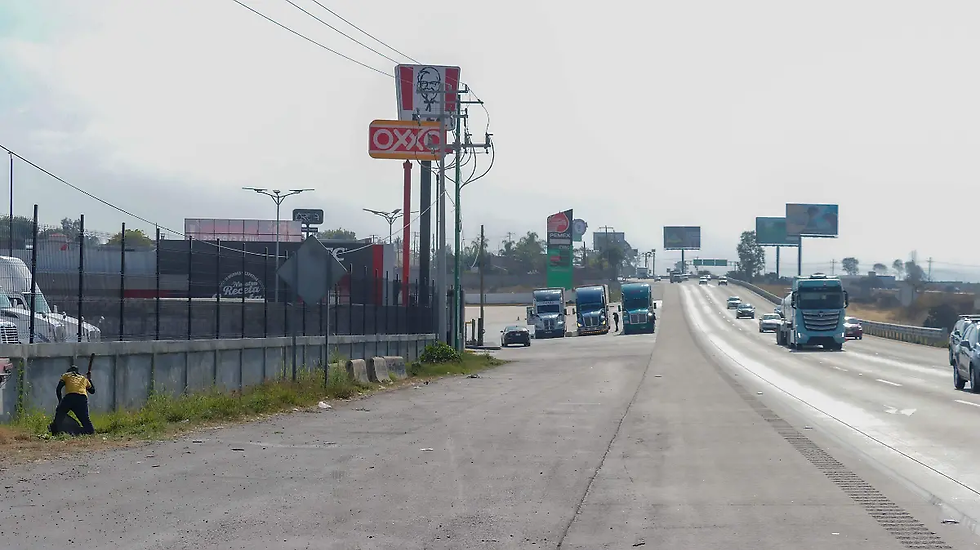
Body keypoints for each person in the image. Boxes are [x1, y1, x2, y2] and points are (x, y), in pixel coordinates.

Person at [51, 364, 96, 436]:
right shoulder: (83, 378)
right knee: (85, 419)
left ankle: (55, 431)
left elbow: (58, 389)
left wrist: (60, 402)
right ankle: (89, 431)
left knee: (60, 413)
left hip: (70, 397)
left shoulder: (66, 375)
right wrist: (89, 379)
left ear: (69, 371)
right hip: (82, 399)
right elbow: (92, 391)